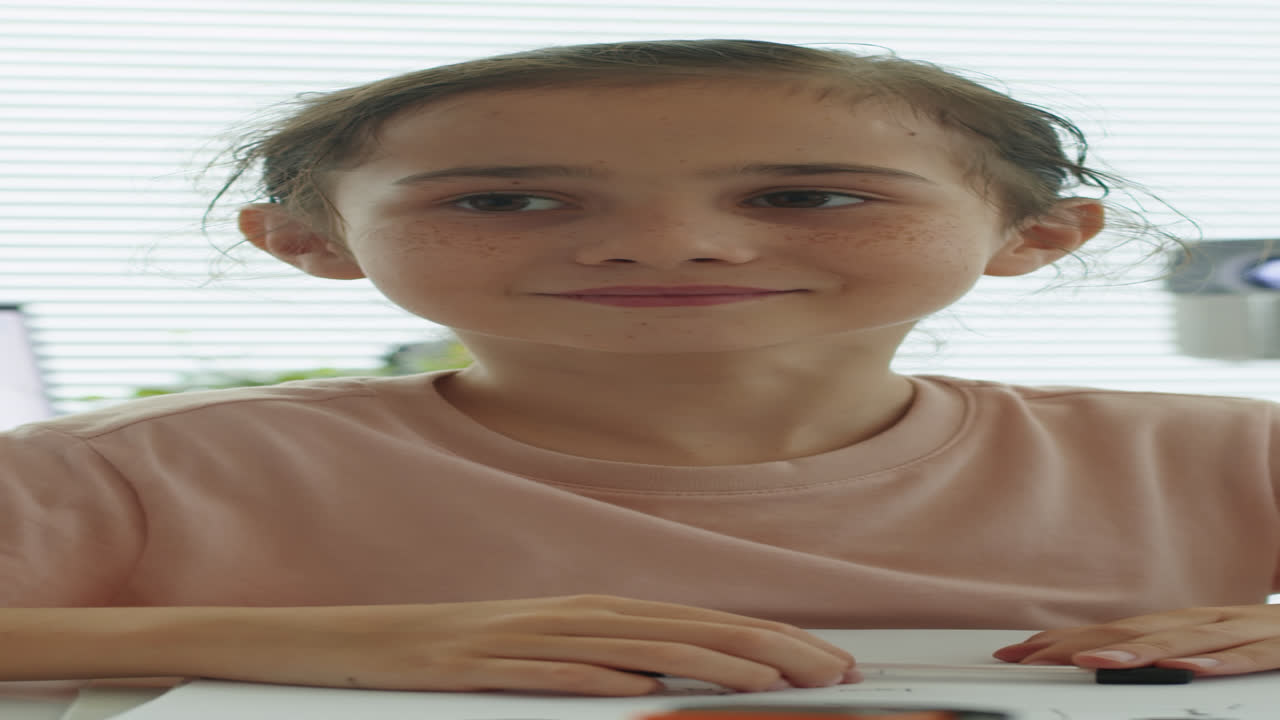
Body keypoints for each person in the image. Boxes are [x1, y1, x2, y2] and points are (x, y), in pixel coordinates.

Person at [1, 38, 1277, 698]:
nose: (669, 245)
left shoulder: (1220, 454)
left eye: (806, 192)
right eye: (506, 199)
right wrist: (321, 643)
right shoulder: (133, 475)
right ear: (309, 243)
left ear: (1034, 235)